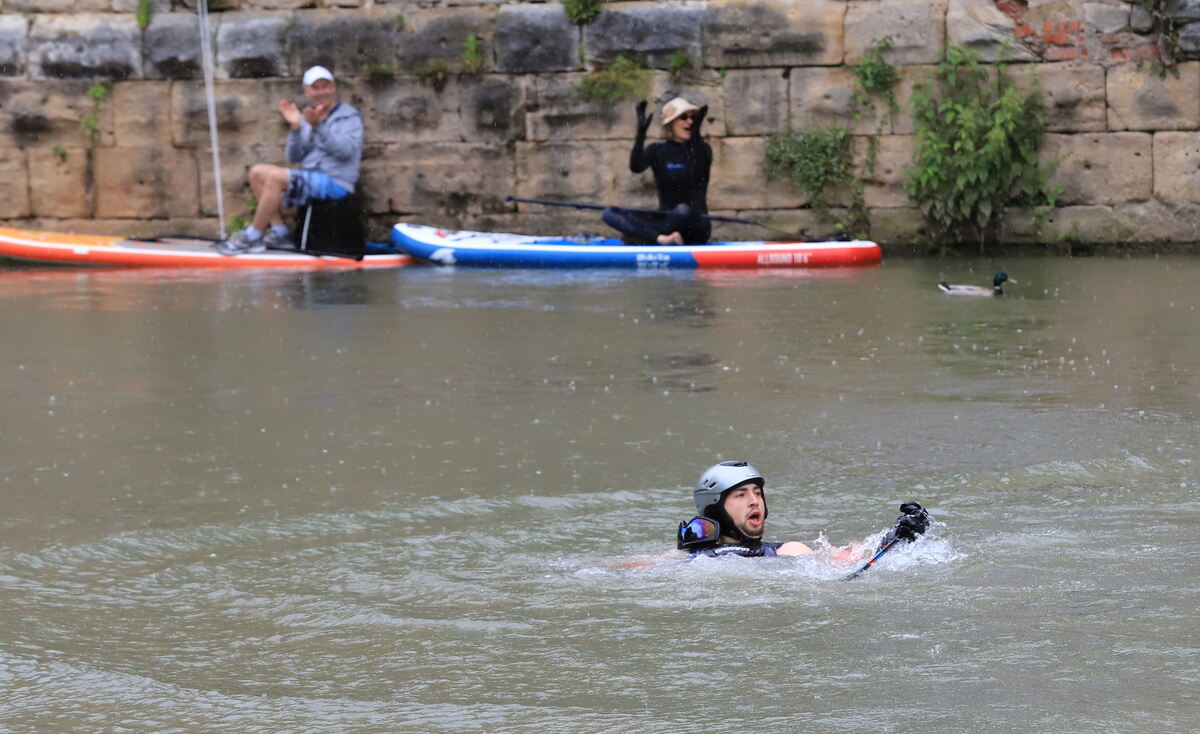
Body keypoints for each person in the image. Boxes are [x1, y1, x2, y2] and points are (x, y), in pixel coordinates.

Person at [218, 65, 363, 254]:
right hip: (310, 178)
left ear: (333, 88)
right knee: (257, 173)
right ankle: (279, 232)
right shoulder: (308, 116)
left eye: (325, 86)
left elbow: (345, 152)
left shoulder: (349, 116)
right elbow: (294, 156)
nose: (321, 92)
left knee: (276, 177)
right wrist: (295, 127)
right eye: (315, 87)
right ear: (307, 92)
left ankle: (253, 235)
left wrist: (319, 126)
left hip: (336, 182)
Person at [677, 461, 930, 559]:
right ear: (714, 508)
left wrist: (894, 539)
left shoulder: (788, 551)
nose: (754, 501)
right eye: (741, 495)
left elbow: (845, 559)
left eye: (757, 493)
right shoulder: (689, 557)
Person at [602, 96, 713, 246]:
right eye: (683, 117)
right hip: (666, 222)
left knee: (682, 211)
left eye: (693, 118)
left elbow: (698, 158)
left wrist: (696, 135)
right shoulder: (657, 150)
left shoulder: (702, 150)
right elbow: (636, 167)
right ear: (670, 123)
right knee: (610, 213)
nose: (690, 122)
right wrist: (641, 133)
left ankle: (643, 236)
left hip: (695, 225)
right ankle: (660, 239)